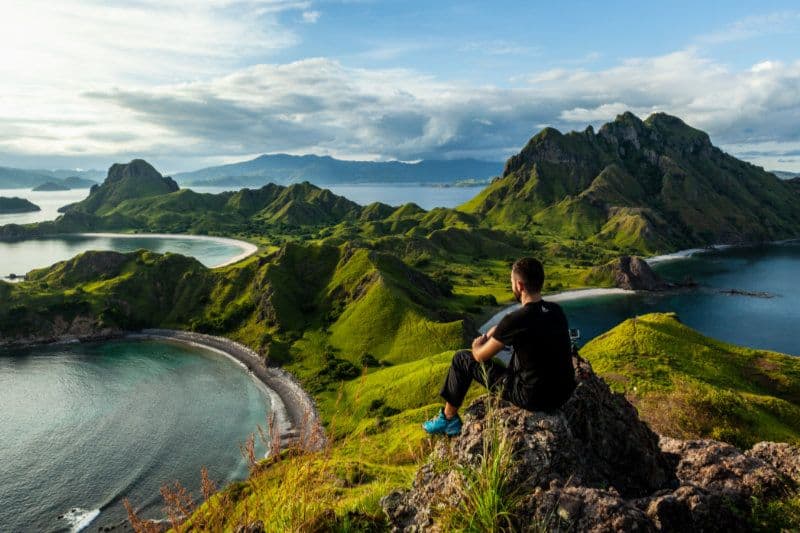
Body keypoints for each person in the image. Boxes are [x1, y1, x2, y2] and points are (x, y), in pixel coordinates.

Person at [422, 257, 576, 436]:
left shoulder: (514, 320)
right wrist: (500, 331)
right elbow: (533, 332)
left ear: (519, 285)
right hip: (563, 393)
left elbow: (479, 356)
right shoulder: (556, 310)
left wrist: (479, 343)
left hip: (533, 398)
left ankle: (448, 420)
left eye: (511, 282)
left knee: (461, 359)